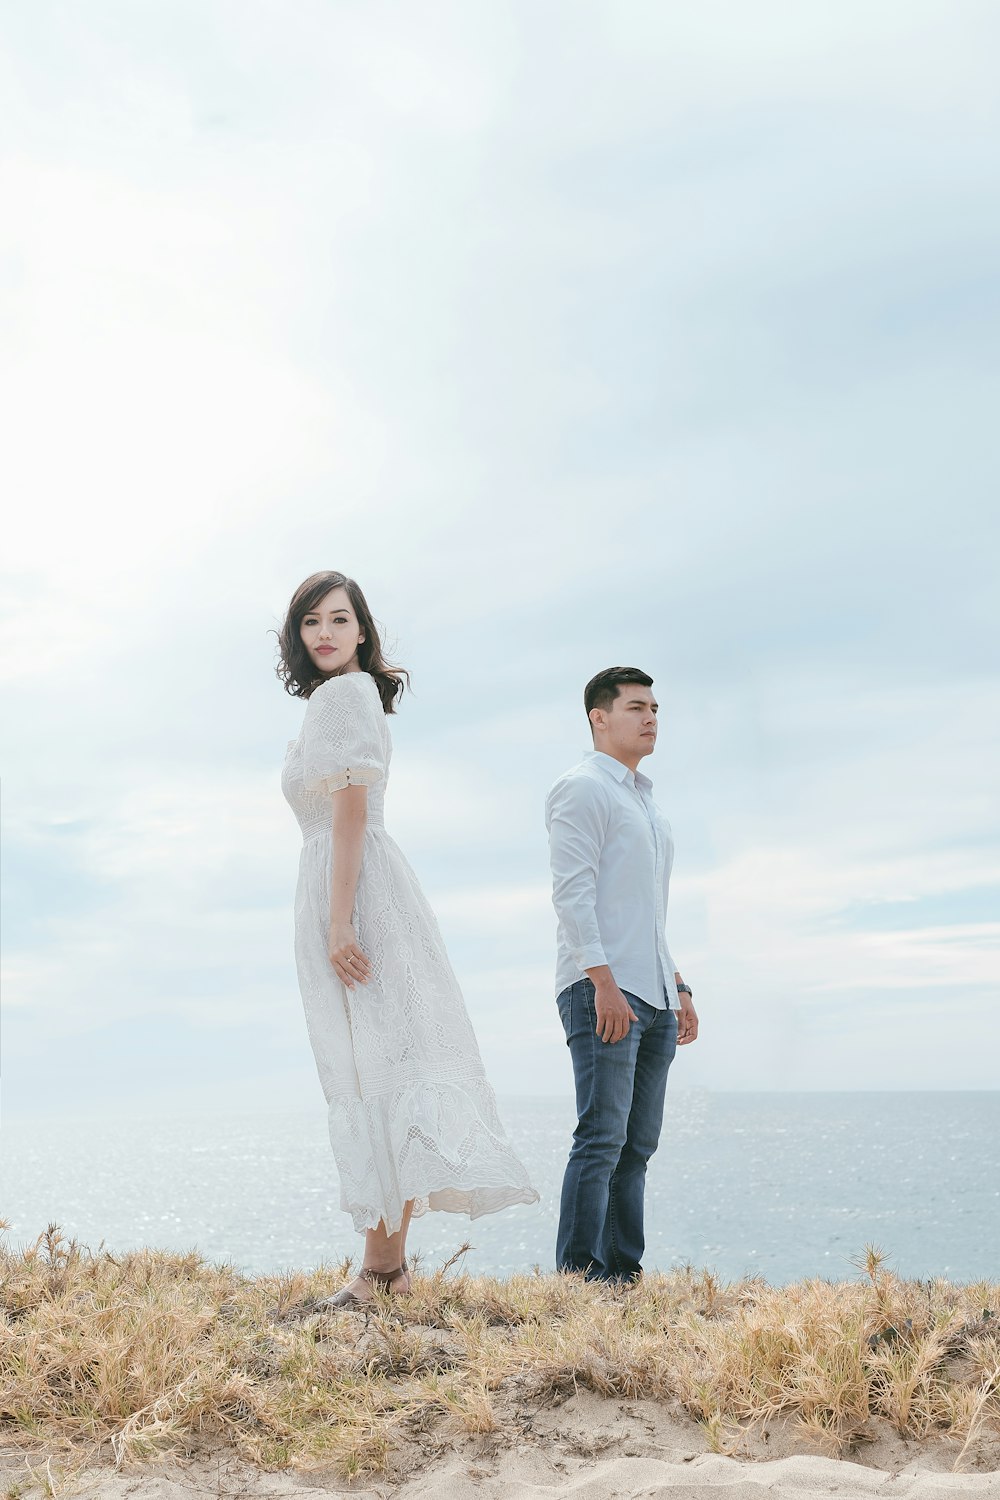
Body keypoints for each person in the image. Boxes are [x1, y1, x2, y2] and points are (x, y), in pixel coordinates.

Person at [278, 571, 537, 1306]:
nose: (324, 633)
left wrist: (339, 920)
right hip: (345, 888)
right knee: (372, 1069)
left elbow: (353, 808)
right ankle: (384, 1266)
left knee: (377, 1067)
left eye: (339, 619)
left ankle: (381, 1270)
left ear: (362, 631)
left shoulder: (345, 696)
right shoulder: (335, 701)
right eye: (310, 623)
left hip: (355, 895)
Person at [545, 666, 698, 1283]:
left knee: (636, 1146)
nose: (651, 717)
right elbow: (572, 894)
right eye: (637, 706)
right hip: (603, 987)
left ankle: (621, 1278)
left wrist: (679, 985)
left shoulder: (647, 804)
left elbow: (647, 913)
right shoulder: (583, 788)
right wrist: (603, 984)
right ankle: (577, 1281)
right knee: (602, 1137)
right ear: (599, 719)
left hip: (653, 990)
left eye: (655, 706)